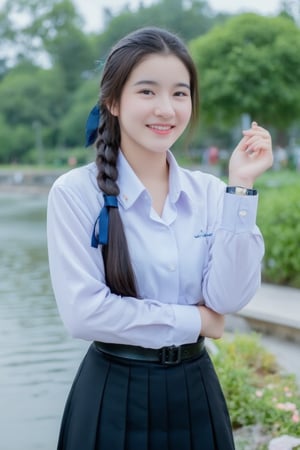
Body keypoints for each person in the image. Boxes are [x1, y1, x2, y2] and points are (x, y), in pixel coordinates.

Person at [47, 27, 273, 450]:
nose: (166, 109)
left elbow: (226, 299)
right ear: (113, 102)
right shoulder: (75, 193)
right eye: (147, 92)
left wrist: (240, 188)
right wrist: (195, 321)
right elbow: (84, 314)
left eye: (180, 94)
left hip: (196, 391)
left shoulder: (209, 193)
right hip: (110, 396)